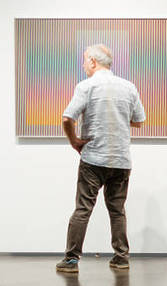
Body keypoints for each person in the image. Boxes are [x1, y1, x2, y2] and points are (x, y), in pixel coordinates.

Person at [56, 44, 146, 273]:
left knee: (83, 209)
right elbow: (139, 120)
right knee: (117, 211)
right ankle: (121, 257)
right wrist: (117, 117)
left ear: (94, 62)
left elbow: (68, 118)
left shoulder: (87, 86)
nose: (83, 64)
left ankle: (71, 260)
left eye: (85, 60)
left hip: (93, 159)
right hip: (121, 160)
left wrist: (74, 141)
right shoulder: (128, 87)